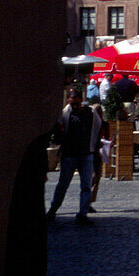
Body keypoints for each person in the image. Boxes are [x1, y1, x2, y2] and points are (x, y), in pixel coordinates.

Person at [47, 88, 103, 225]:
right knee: (63, 185)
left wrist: (94, 147)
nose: (75, 106)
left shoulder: (90, 113)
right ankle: (53, 210)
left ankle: (82, 214)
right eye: (72, 104)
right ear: (68, 102)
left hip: (85, 154)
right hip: (70, 154)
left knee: (86, 185)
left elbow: (97, 127)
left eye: (77, 103)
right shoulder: (65, 113)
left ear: (81, 100)